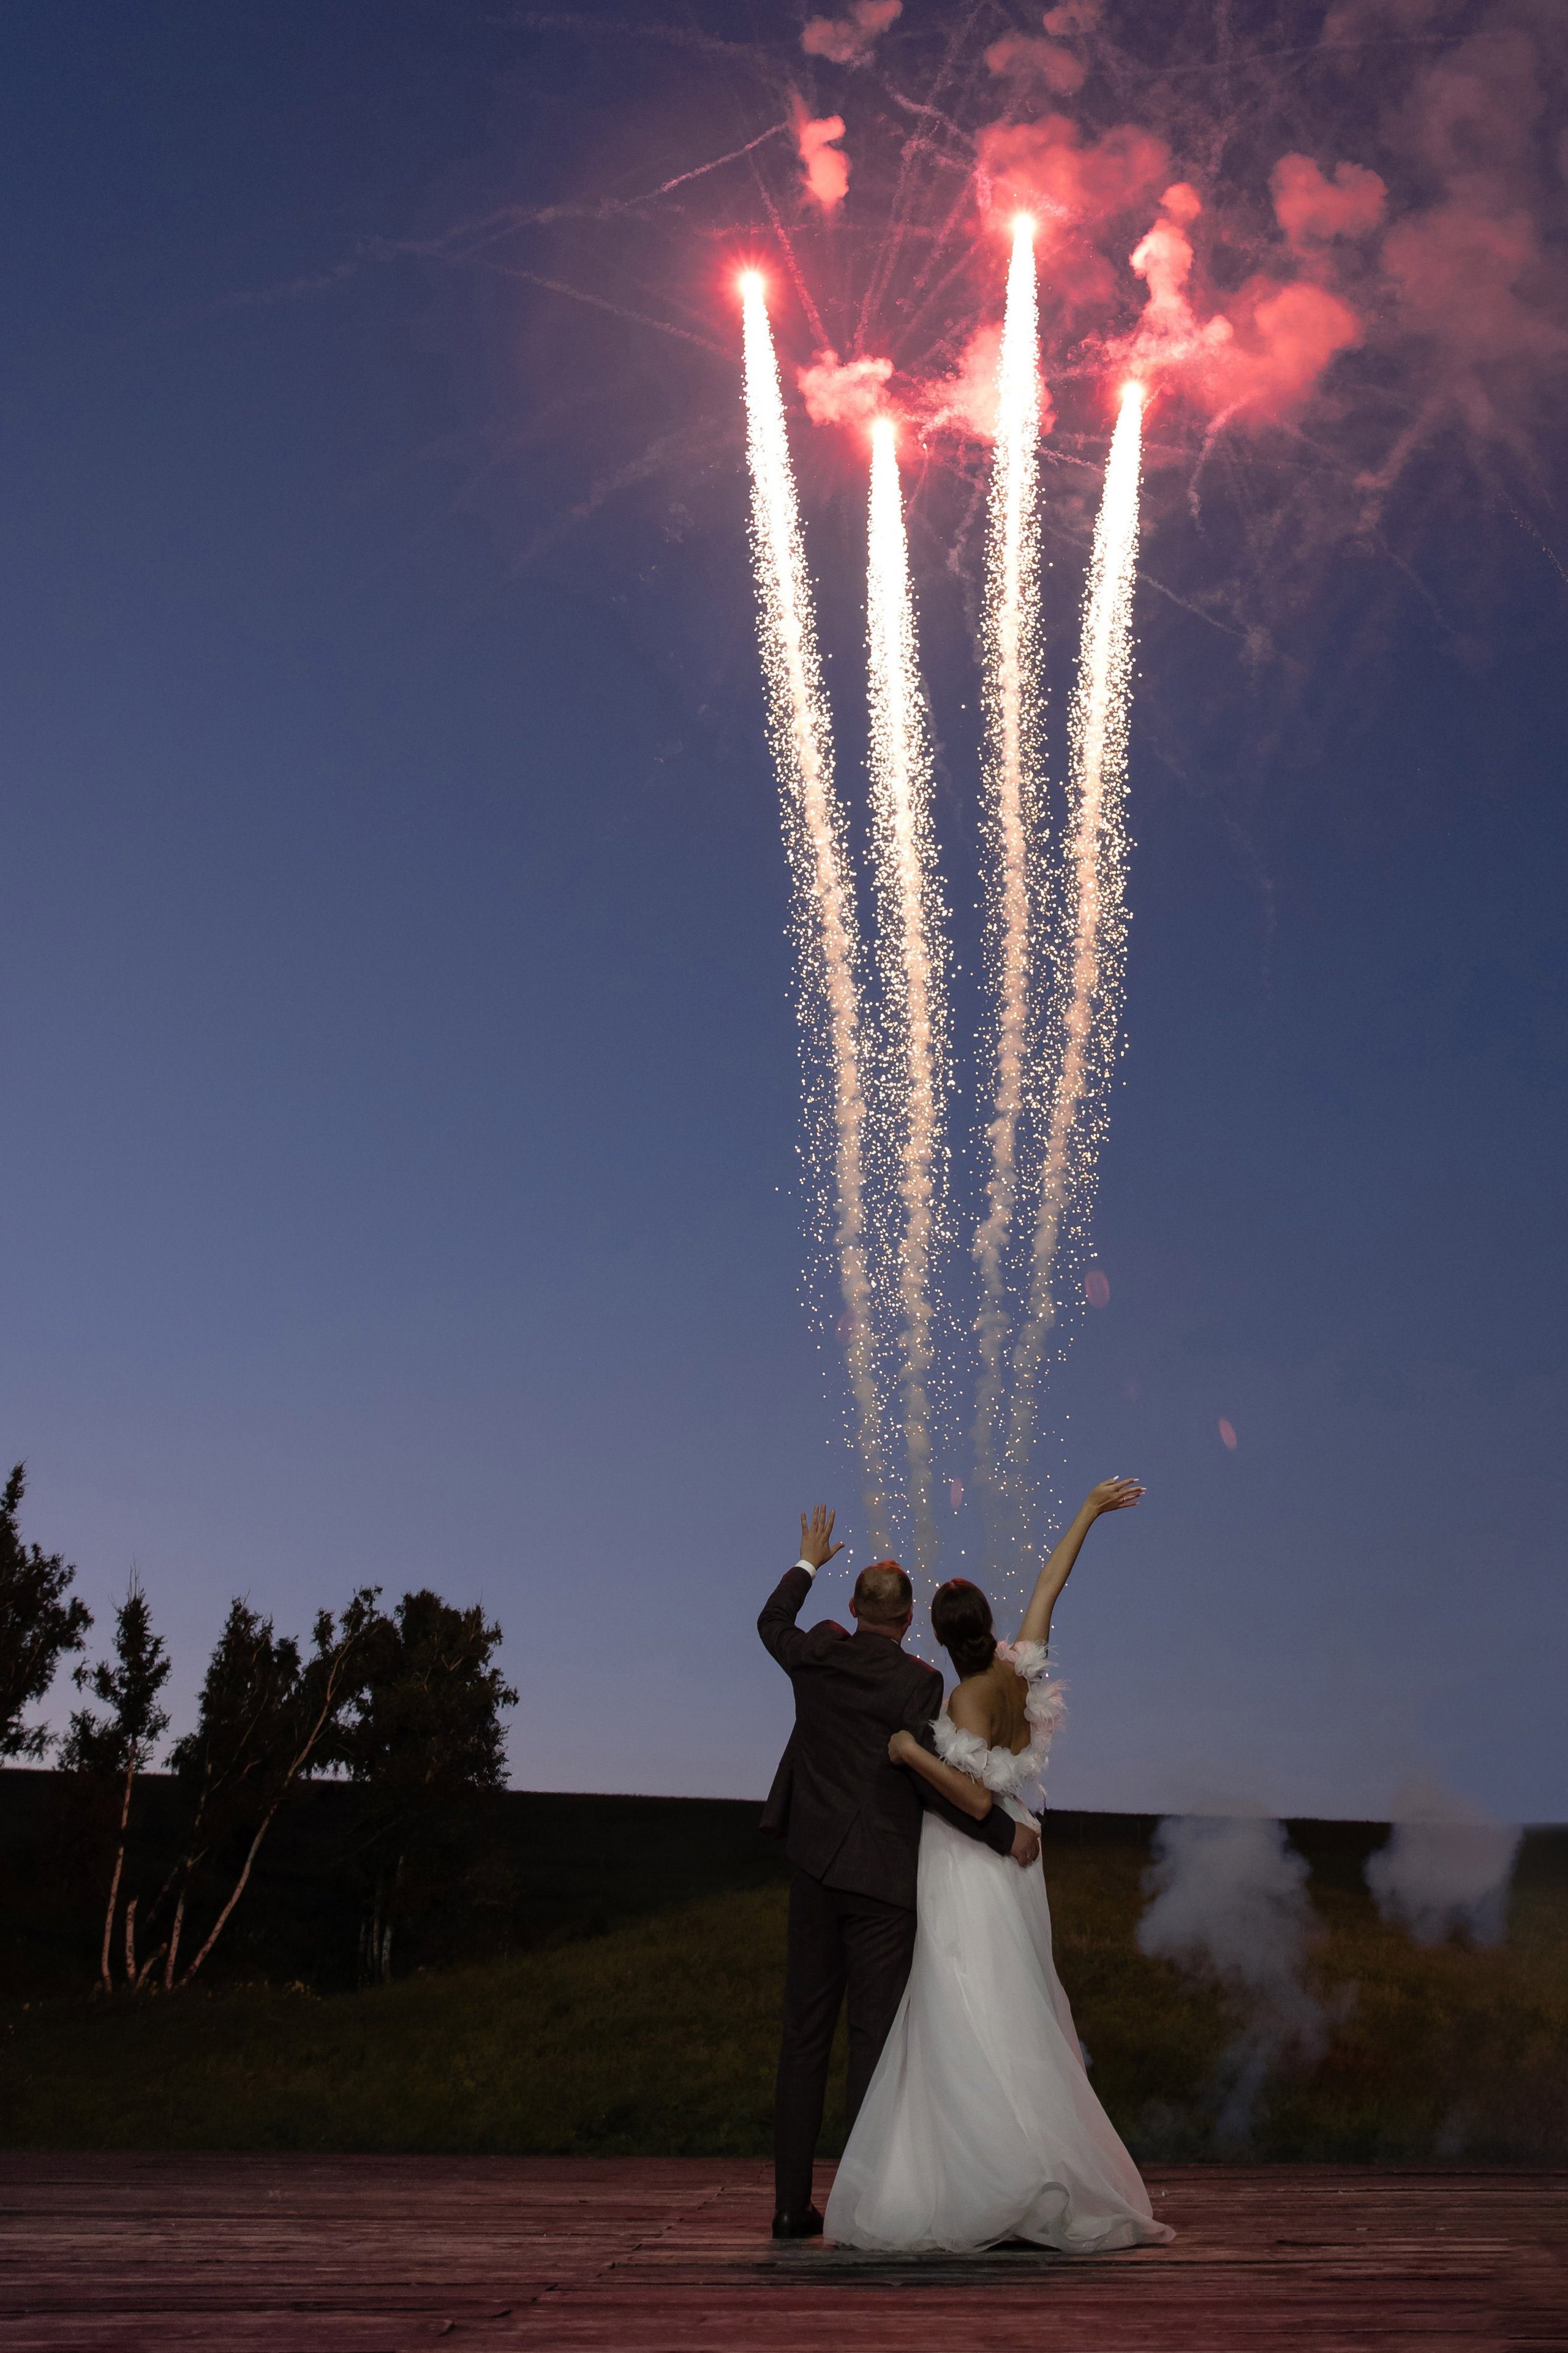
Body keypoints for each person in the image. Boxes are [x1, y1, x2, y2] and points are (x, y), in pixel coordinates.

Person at [822, 1477, 1176, 2255]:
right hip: (1023, 1862)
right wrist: (1088, 1509)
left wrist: (910, 1750)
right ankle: (1032, 2161)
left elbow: (973, 1798)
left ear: (937, 1638)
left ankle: (984, 2175)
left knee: (962, 2002)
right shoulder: (1020, 1673)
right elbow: (1050, 1582)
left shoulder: (961, 1704)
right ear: (988, 1625)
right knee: (1018, 2001)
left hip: (967, 1863)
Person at [758, 1506, 1042, 2240]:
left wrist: (806, 1561)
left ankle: (790, 2207)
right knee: (874, 2045)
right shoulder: (919, 1682)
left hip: (813, 1871)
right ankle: (861, 2208)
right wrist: (1004, 1830)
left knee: (803, 2037)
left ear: (854, 1609)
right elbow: (927, 1780)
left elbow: (772, 1622)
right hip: (883, 1881)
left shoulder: (817, 1652)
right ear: (910, 1619)